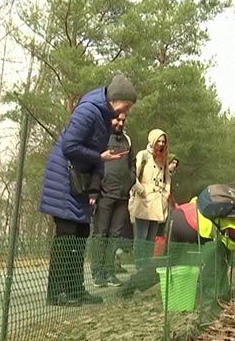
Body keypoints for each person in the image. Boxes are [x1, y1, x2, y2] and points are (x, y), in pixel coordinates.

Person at [39, 74, 136, 306]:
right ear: (116, 99)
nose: (127, 111)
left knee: (81, 234)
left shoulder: (104, 117)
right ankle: (56, 292)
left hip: (80, 181)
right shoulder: (88, 111)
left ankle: (75, 288)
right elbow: (70, 145)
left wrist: (95, 183)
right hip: (65, 179)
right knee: (66, 235)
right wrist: (99, 157)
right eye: (127, 105)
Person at [121, 193, 235, 314]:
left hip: (183, 214)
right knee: (167, 263)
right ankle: (128, 288)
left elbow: (226, 247)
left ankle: (201, 297)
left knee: (215, 259)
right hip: (188, 224)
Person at [90, 112, 134, 288]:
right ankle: (97, 272)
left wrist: (130, 180)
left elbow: (132, 164)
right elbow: (94, 163)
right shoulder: (101, 138)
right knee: (101, 234)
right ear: (110, 119)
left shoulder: (127, 141)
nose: (120, 123)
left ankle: (109, 271)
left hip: (122, 196)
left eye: (123, 120)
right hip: (104, 194)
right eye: (117, 119)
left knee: (115, 235)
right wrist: (94, 191)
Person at [128, 129, 171, 266]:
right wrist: (140, 190)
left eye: (163, 141)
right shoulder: (144, 155)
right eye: (158, 140)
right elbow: (133, 174)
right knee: (142, 235)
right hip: (144, 200)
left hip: (157, 201)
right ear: (152, 140)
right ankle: (139, 264)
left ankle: (146, 264)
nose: (161, 144)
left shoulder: (163, 158)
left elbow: (167, 179)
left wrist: (166, 194)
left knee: (151, 237)